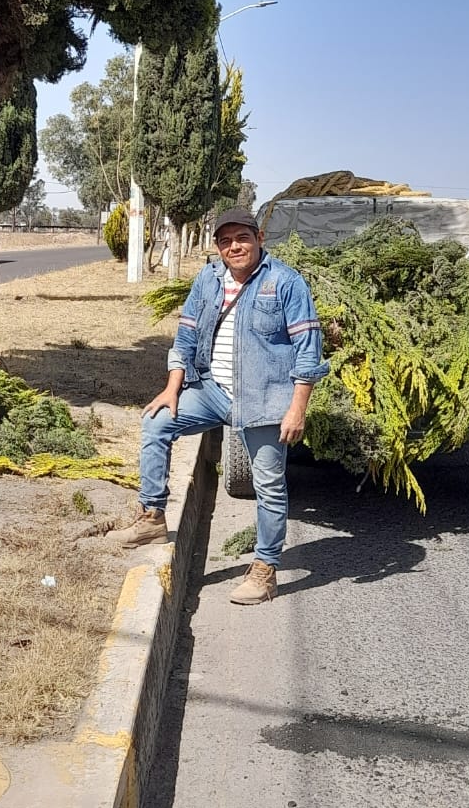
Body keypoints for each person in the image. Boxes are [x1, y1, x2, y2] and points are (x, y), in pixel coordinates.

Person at [109, 207, 328, 604]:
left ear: (259, 238)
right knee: (157, 423)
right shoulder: (208, 279)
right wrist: (172, 388)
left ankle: (265, 569)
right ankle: (152, 518)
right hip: (212, 392)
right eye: (225, 240)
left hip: (263, 401)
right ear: (218, 246)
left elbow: (308, 352)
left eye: (241, 238)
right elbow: (186, 335)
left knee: (268, 485)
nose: (234, 246)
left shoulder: (286, 282)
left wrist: (297, 408)